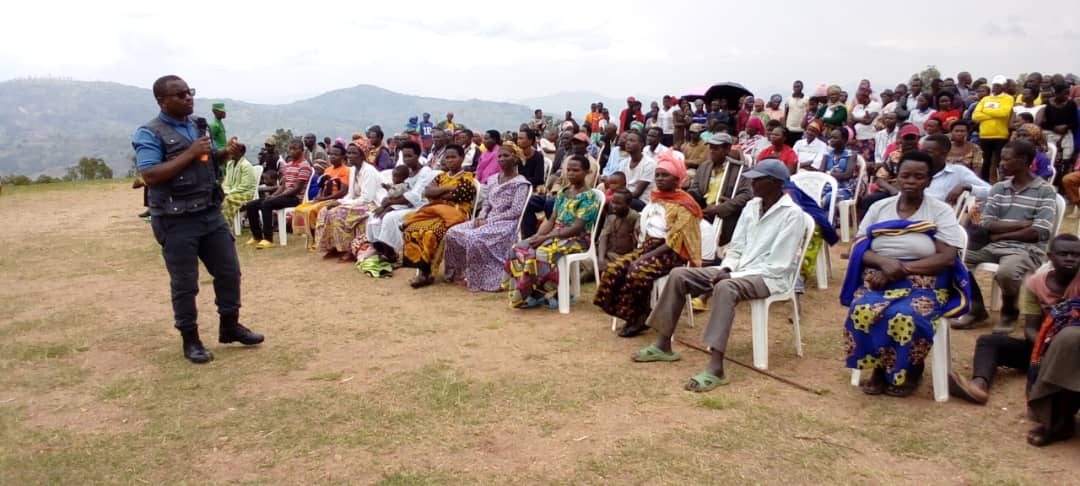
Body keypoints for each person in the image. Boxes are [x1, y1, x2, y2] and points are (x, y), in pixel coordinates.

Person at [633, 159, 807, 391]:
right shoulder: (753, 206)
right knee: (679, 275)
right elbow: (736, 247)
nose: (751, 182)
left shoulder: (792, 214)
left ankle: (716, 367)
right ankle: (663, 344)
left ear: (774, 183)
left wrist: (731, 277)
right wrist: (726, 269)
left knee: (726, 288)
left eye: (758, 178)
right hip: (738, 269)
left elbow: (779, 264)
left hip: (769, 278)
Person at [131, 75, 263, 363]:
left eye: (189, 92)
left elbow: (206, 161)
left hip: (209, 213)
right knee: (185, 283)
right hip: (175, 219)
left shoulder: (196, 125)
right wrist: (191, 153)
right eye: (179, 95)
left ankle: (230, 326)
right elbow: (150, 174)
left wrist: (225, 154)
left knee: (229, 272)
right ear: (162, 101)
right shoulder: (149, 133)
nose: (187, 98)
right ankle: (190, 339)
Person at [842, 151, 968, 396]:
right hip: (878, 278)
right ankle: (880, 368)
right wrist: (882, 262)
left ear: (929, 181)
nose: (911, 181)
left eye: (919, 177)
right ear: (897, 178)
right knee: (865, 310)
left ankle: (911, 368)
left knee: (905, 315)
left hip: (925, 283)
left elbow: (947, 257)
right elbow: (858, 247)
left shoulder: (939, 211)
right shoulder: (880, 207)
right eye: (905, 175)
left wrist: (900, 270)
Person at [949, 235, 1080, 406]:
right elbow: (1031, 330)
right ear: (1050, 257)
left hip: (1074, 351)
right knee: (988, 342)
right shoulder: (1036, 284)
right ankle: (979, 385)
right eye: (1064, 254)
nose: (1070, 259)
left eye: (1076, 255)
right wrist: (1046, 348)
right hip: (1044, 346)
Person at [952, 141, 1056, 334]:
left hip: (1026, 249)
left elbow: (1039, 231)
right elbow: (986, 223)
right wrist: (1023, 224)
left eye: (1007, 159)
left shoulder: (1044, 190)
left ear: (1023, 160)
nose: (1001, 163)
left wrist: (998, 234)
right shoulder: (999, 188)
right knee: (954, 259)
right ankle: (976, 308)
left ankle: (1009, 312)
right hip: (993, 245)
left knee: (1007, 273)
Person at [594, 153, 702, 338]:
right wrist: (641, 228)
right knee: (614, 269)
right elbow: (648, 220)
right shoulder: (657, 197)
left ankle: (638, 318)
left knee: (636, 271)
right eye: (658, 174)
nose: (659, 179)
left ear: (677, 179)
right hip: (649, 246)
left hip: (672, 253)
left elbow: (674, 242)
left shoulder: (685, 204)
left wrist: (645, 256)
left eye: (665, 175)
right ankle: (639, 313)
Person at [504, 156, 600, 308]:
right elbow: (551, 220)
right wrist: (538, 235)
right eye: (569, 170)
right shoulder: (563, 192)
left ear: (587, 172)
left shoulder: (589, 197)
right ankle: (524, 292)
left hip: (578, 239)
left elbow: (577, 227)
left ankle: (538, 293)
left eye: (576, 170)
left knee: (541, 252)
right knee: (519, 247)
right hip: (556, 234)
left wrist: (546, 237)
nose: (571, 173)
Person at [443, 141, 533, 292]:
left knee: (474, 237)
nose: (502, 159)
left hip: (505, 223)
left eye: (506, 155)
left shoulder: (521, 184)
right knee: (452, 233)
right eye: (500, 156)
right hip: (486, 219)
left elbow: (515, 212)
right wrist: (481, 217)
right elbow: (486, 203)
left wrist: (489, 221)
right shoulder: (493, 179)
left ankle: (483, 279)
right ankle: (458, 273)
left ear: (516, 158)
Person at [401, 144, 477, 288]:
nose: (450, 160)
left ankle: (427, 273)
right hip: (436, 212)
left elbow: (461, 194)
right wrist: (447, 189)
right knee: (413, 228)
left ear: (461, 158)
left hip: (455, 214)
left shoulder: (467, 177)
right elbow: (428, 192)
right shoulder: (440, 176)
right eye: (447, 157)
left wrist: (439, 192)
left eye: (453, 157)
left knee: (431, 232)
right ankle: (422, 269)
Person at [366, 141, 438, 263]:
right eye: (404, 156)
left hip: (421, 206)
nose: (406, 159)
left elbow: (414, 196)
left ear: (418, 155)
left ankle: (394, 253)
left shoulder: (424, 172)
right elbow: (401, 192)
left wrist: (389, 204)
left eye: (410, 156)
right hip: (407, 205)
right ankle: (386, 251)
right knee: (373, 216)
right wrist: (388, 203)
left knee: (390, 218)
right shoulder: (408, 173)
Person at [314, 139, 384, 262]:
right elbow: (351, 194)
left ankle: (349, 250)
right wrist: (340, 202)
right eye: (349, 153)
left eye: (354, 153)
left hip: (372, 205)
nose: (350, 156)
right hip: (357, 202)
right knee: (325, 211)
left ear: (363, 155)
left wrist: (341, 203)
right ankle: (333, 247)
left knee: (339, 213)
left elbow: (366, 198)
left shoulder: (369, 171)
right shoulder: (353, 170)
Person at [245, 139, 312, 249]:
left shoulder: (304, 166)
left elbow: (297, 188)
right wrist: (274, 195)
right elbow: (283, 186)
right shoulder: (289, 165)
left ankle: (268, 239)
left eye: (295, 149)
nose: (292, 151)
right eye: (290, 149)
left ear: (302, 150)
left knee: (267, 204)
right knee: (251, 205)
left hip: (295, 198)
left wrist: (278, 196)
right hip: (285, 196)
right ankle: (257, 236)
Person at [291, 142, 350, 243]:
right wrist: (318, 197)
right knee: (300, 208)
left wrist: (323, 199)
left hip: (335, 199)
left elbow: (342, 192)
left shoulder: (346, 171)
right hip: (324, 197)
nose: (332, 157)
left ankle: (317, 240)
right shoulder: (328, 170)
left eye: (336, 154)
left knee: (312, 211)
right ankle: (312, 237)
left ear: (343, 157)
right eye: (331, 154)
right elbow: (322, 187)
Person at [922, 134, 990, 204]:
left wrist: (967, 187)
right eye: (922, 151)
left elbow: (991, 192)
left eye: (928, 152)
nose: (922, 155)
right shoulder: (915, 171)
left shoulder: (958, 172)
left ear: (944, 153)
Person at [973, 75, 1016, 182]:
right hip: (984, 135)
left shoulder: (1008, 98)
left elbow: (1003, 113)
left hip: (1000, 135)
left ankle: (1001, 182)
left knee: (1000, 161)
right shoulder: (986, 99)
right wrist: (993, 114)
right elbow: (975, 116)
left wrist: (985, 112)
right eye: (994, 85)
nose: (995, 87)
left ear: (1003, 86)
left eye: (998, 85)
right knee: (985, 161)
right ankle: (984, 182)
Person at [597, 188, 640, 270]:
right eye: (612, 202)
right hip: (608, 254)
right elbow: (603, 237)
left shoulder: (634, 217)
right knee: (587, 261)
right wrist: (601, 259)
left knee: (616, 267)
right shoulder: (611, 216)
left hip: (623, 257)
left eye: (618, 203)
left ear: (628, 204)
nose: (613, 206)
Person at [613, 131, 656, 212]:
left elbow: (637, 193)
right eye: (627, 140)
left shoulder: (649, 164)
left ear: (641, 144)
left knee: (615, 203)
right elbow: (619, 185)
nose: (628, 143)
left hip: (642, 201)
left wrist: (617, 197)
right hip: (624, 197)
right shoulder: (623, 163)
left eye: (632, 141)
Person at [219, 142, 257, 231]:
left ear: (241, 152)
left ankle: (225, 227)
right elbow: (227, 182)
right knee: (218, 197)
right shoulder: (230, 164)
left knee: (227, 199)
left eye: (234, 150)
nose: (231, 152)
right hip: (232, 192)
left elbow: (245, 186)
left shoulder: (246, 165)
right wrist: (225, 191)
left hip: (246, 193)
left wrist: (228, 193)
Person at [1042, 84, 1077, 163]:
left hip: (1066, 133)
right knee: (1050, 154)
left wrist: (1066, 126)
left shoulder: (1071, 104)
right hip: (1050, 133)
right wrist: (1054, 128)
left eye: (1068, 93)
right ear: (1057, 94)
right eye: (1065, 93)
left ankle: (1064, 170)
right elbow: (1043, 123)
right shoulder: (1047, 104)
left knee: (1068, 153)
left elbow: (1074, 123)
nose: (1067, 96)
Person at [822, 128, 858, 201]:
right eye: (831, 137)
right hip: (826, 186)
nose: (831, 140)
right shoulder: (827, 154)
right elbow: (821, 173)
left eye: (835, 138)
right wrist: (834, 174)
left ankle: (826, 212)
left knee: (829, 198)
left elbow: (848, 175)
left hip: (843, 188)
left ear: (844, 140)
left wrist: (829, 173)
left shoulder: (851, 154)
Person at [849, 89, 882, 161]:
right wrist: (861, 119)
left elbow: (868, 121)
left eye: (858, 98)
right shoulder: (858, 107)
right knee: (858, 163)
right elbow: (850, 120)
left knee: (868, 162)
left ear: (865, 97)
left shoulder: (875, 105)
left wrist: (855, 119)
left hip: (869, 139)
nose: (857, 100)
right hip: (858, 139)